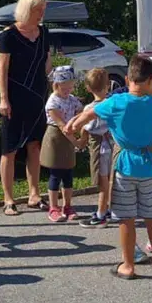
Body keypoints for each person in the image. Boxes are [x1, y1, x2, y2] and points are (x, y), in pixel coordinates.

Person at [66, 55, 152, 279]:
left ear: (127, 78)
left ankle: (128, 265)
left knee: (126, 218)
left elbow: (89, 113)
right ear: (151, 80)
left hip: (124, 166)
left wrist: (73, 124)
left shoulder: (116, 102)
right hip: (149, 166)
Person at [0, 0, 53, 216]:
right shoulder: (8, 35)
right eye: (38, 10)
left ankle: (34, 194)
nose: (41, 14)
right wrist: (3, 98)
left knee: (35, 145)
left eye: (43, 10)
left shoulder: (44, 33)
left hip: (38, 96)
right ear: (27, 9)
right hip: (14, 97)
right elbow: (2, 69)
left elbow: (47, 63)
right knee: (9, 149)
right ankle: (8, 198)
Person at [40, 66, 86, 222]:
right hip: (56, 137)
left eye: (70, 86)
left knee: (68, 174)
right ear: (56, 85)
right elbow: (62, 126)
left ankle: (68, 206)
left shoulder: (72, 99)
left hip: (69, 137)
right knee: (55, 174)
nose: (68, 90)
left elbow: (81, 114)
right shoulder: (52, 102)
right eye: (64, 87)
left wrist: (82, 127)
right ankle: (53, 208)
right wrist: (78, 142)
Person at [79, 68, 114, 228]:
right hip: (112, 144)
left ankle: (101, 213)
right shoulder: (112, 103)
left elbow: (86, 127)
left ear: (88, 88)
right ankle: (111, 209)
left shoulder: (90, 108)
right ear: (108, 85)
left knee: (102, 181)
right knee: (112, 179)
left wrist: (80, 137)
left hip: (99, 146)